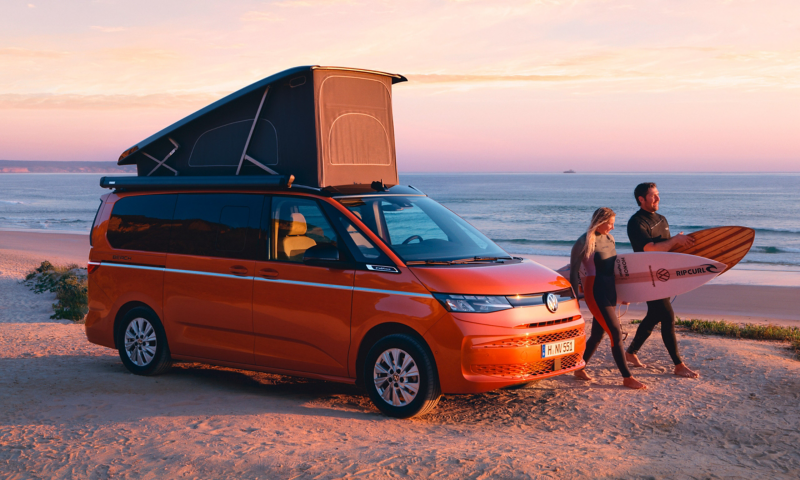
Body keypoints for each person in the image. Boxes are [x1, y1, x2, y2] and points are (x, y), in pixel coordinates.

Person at [624, 182, 700, 378]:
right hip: (647, 277)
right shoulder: (636, 222)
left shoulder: (662, 219)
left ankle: (631, 352)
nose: (657, 198)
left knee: (654, 315)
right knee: (667, 316)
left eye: (657, 194)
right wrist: (674, 240)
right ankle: (678, 365)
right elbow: (648, 248)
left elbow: (666, 248)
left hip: (663, 276)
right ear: (641, 199)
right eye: (653, 195)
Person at [570, 207, 646, 389]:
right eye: (610, 223)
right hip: (595, 290)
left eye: (613, 223)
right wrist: (574, 299)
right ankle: (627, 377)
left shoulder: (610, 239)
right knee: (616, 333)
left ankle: (579, 368)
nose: (612, 227)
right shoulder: (584, 241)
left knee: (598, 333)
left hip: (610, 289)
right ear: (600, 222)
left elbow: (616, 270)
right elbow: (573, 272)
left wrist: (624, 295)